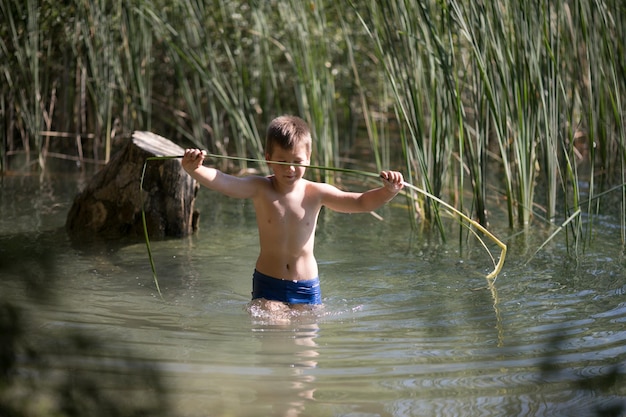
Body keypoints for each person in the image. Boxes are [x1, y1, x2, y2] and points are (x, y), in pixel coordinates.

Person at [182, 115, 404, 311]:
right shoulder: (260, 188)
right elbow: (223, 181)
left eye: (296, 162)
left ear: (308, 158)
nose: (289, 169)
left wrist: (389, 191)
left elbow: (361, 202)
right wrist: (196, 169)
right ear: (268, 158)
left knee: (305, 347)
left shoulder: (315, 193)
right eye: (282, 161)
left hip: (306, 287)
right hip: (268, 283)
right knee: (273, 334)